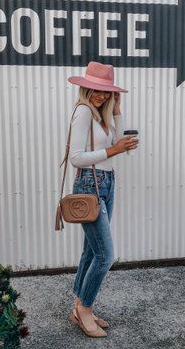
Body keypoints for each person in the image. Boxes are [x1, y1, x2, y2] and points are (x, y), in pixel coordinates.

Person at [67, 61, 139, 337]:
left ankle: (78, 304)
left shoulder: (100, 114)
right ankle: (85, 308)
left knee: (91, 250)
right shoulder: (84, 111)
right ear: (85, 88)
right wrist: (113, 151)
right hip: (89, 184)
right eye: (96, 90)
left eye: (106, 92)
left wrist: (117, 113)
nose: (101, 95)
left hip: (107, 183)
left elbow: (118, 146)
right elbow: (76, 158)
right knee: (106, 255)